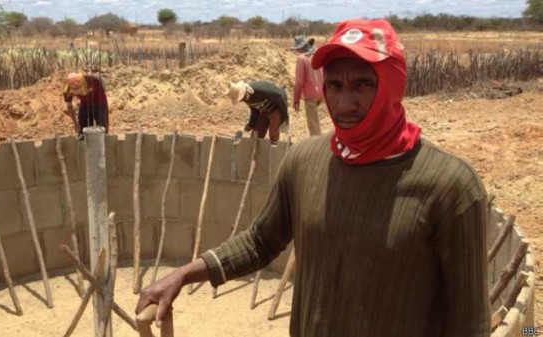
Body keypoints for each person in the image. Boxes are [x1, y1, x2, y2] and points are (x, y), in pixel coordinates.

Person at [136, 18, 490, 337]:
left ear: (393, 85)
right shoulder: (306, 161)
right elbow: (261, 241)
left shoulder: (450, 187)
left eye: (363, 85)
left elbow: (469, 323)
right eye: (334, 86)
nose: (344, 103)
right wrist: (185, 273)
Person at [225, 80, 289, 144]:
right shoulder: (246, 98)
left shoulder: (260, 89)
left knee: (273, 131)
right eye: (241, 99)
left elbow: (280, 96)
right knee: (256, 133)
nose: (242, 100)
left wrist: (284, 118)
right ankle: (255, 147)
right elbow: (255, 110)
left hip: (276, 106)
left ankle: (274, 147)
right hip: (263, 109)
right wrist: (250, 125)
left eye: (242, 97)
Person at [291, 35, 324, 136]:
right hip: (322, 92)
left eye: (297, 49)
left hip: (311, 95)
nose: (297, 51)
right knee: (317, 120)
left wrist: (296, 100)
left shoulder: (302, 59)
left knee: (313, 124)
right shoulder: (317, 53)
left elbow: (299, 82)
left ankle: (317, 145)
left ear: (301, 48)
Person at [63, 72, 109, 138]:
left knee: (102, 128)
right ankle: (83, 140)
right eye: (74, 89)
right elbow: (69, 106)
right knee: (82, 129)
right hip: (85, 104)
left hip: (99, 102)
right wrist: (75, 123)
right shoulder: (67, 89)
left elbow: (104, 88)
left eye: (78, 88)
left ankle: (103, 141)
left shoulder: (92, 80)